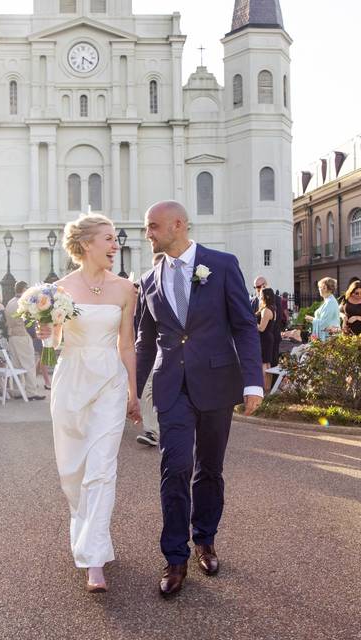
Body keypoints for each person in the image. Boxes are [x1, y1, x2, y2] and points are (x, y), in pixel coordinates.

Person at [135, 200, 263, 597]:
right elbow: (144, 341)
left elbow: (244, 325)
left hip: (217, 383)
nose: (148, 234)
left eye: (153, 227)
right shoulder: (148, 279)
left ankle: (204, 539)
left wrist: (253, 382)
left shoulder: (221, 264)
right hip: (171, 385)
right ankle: (175, 557)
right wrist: (132, 392)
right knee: (175, 465)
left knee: (209, 468)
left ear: (178, 225)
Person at [38, 213, 140, 594]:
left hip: (109, 384)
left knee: (101, 469)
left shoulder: (126, 289)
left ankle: (95, 558)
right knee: (73, 473)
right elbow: (51, 353)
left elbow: (126, 344)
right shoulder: (58, 290)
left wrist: (133, 393)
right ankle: (84, 530)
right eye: (109, 239)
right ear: (86, 245)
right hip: (71, 381)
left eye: (116, 239)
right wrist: (45, 337)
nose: (116, 245)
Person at [135, 252, 166, 448]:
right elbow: (140, 321)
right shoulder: (146, 285)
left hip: (176, 350)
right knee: (149, 389)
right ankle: (152, 431)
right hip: (152, 350)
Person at [5, 281, 45, 401]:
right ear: (24, 289)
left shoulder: (10, 302)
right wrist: (34, 335)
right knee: (29, 364)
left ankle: (18, 391)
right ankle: (31, 392)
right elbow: (28, 322)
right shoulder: (24, 302)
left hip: (12, 336)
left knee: (16, 364)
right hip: (23, 335)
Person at [256, 287, 281, 391]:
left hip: (264, 338)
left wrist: (252, 322)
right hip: (268, 337)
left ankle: (264, 388)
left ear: (265, 296)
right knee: (268, 363)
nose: (259, 296)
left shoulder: (266, 310)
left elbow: (261, 328)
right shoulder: (273, 308)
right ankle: (267, 388)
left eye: (261, 294)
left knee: (264, 363)